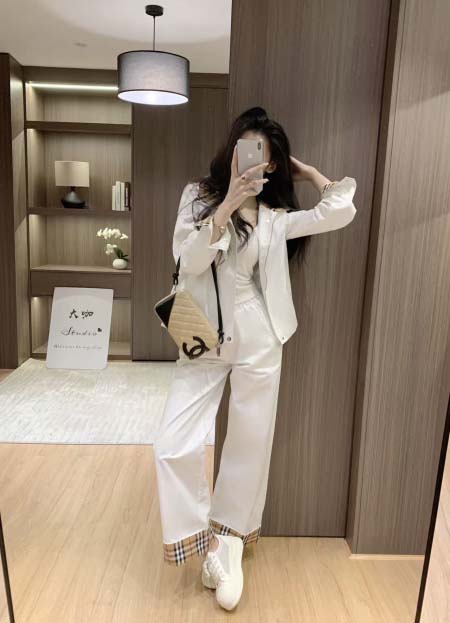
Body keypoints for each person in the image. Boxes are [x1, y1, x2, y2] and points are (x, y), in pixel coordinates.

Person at [153, 106, 357, 610]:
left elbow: (339, 211)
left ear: (271, 165)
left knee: (250, 442)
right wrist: (225, 206)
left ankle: (227, 545)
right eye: (243, 149)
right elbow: (187, 261)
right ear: (231, 152)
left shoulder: (273, 218)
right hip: (203, 333)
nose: (248, 161)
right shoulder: (197, 197)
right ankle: (203, 540)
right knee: (171, 444)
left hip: (259, 334)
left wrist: (310, 174)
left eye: (260, 155)